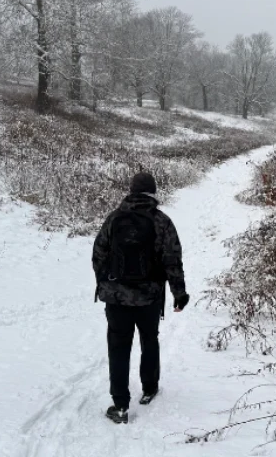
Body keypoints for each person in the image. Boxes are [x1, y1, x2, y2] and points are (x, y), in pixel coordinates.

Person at [92, 172, 189, 424]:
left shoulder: (113, 219)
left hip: (117, 298)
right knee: (149, 340)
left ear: (131, 191)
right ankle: (149, 388)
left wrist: (106, 283)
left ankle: (120, 405)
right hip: (149, 297)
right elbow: (172, 260)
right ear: (153, 193)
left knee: (118, 347)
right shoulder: (161, 221)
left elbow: (98, 254)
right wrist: (179, 293)